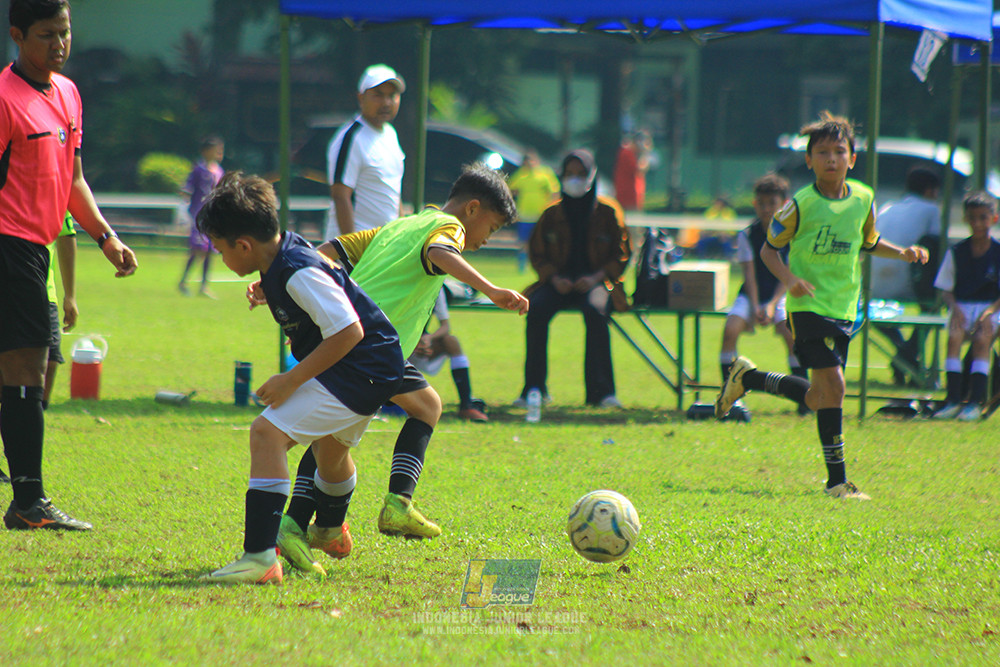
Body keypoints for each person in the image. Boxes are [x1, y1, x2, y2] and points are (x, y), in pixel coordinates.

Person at [247, 163, 527, 575]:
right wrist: (492, 290)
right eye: (493, 227)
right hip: (372, 347)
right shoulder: (449, 229)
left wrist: (272, 279)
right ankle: (312, 521)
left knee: (419, 408)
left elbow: (336, 248)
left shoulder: (402, 225)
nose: (486, 239)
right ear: (472, 209)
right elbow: (439, 253)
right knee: (330, 437)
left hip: (353, 337)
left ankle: (352, 517)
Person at [198, 172, 406, 584]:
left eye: (221, 250)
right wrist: (270, 287)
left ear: (244, 245)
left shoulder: (295, 271)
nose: (221, 258)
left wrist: (290, 381)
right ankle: (329, 528)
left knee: (266, 433)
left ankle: (259, 558)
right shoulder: (283, 259)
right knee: (330, 455)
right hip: (377, 367)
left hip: (359, 367)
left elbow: (349, 331)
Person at [715, 112, 928, 500]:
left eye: (839, 151)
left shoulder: (863, 198)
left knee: (818, 397)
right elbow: (768, 250)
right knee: (836, 386)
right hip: (807, 308)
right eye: (822, 152)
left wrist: (903, 253)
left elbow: (868, 241)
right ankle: (837, 483)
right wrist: (790, 280)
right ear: (809, 160)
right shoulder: (800, 204)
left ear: (852, 158)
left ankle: (749, 379)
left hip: (846, 307)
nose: (832, 158)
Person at [1, 0, 138, 530]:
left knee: (27, 370)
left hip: (37, 247)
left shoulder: (69, 94)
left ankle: (27, 500)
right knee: (27, 369)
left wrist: (106, 237)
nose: (59, 43)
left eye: (65, 32)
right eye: (46, 34)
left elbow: (73, 179)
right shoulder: (4, 98)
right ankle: (29, 502)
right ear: (17, 35)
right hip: (8, 244)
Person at [517, 148, 632, 408]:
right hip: (557, 283)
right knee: (536, 310)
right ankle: (534, 389)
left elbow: (622, 254)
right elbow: (537, 254)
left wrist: (596, 278)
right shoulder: (551, 213)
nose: (575, 179)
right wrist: (554, 278)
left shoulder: (609, 212)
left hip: (596, 282)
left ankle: (601, 393)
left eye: (581, 174)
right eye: (569, 174)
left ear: (592, 176)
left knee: (595, 311)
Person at [718, 174, 808, 420]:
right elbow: (749, 274)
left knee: (791, 335)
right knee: (730, 330)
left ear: (785, 204)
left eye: (772, 203)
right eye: (761, 203)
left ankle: (804, 398)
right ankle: (728, 395)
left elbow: (788, 275)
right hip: (752, 294)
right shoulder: (748, 234)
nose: (766, 208)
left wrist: (770, 305)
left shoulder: (793, 234)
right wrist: (758, 305)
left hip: (781, 293)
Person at [930, 191, 1000, 421]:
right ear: (966, 219)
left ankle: (974, 403)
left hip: (992, 307)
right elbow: (946, 289)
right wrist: (955, 309)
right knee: (954, 337)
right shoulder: (957, 251)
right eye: (972, 218)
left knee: (982, 340)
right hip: (962, 305)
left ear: (994, 218)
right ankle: (952, 401)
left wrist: (989, 312)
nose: (978, 223)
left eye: (983, 217)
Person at [869, 165, 942, 385]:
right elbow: (937, 245)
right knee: (933, 308)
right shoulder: (931, 209)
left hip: (875, 284)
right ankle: (907, 356)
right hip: (909, 280)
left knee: (878, 316)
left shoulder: (888, 207)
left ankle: (904, 355)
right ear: (930, 190)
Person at [324, 63, 406, 238]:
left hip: (382, 248)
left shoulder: (391, 135)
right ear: (361, 98)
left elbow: (392, 192)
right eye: (378, 95)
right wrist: (351, 251)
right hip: (354, 253)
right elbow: (340, 196)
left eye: (392, 95)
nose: (386, 102)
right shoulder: (351, 137)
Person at [409, 290, 489, 422]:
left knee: (451, 341)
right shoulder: (399, 281)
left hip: (416, 342)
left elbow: (445, 326)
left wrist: (428, 339)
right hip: (395, 341)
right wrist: (412, 341)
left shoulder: (435, 286)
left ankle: (466, 404)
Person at [178, 135, 224, 297]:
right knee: (198, 249)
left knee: (211, 249)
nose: (218, 153)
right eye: (215, 150)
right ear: (205, 151)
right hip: (199, 215)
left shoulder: (218, 171)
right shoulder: (198, 170)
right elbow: (188, 188)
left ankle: (204, 286)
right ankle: (183, 281)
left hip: (213, 216)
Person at [508, 149, 559, 272]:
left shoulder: (545, 174)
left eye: (531, 160)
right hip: (525, 214)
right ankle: (522, 264)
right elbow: (510, 189)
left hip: (540, 214)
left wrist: (551, 207)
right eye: (526, 161)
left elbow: (554, 192)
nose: (529, 163)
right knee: (524, 241)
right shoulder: (521, 175)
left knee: (543, 240)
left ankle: (546, 263)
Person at [613, 131, 651, 211]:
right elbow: (639, 169)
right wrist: (645, 154)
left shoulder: (632, 153)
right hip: (628, 196)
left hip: (633, 196)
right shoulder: (627, 153)